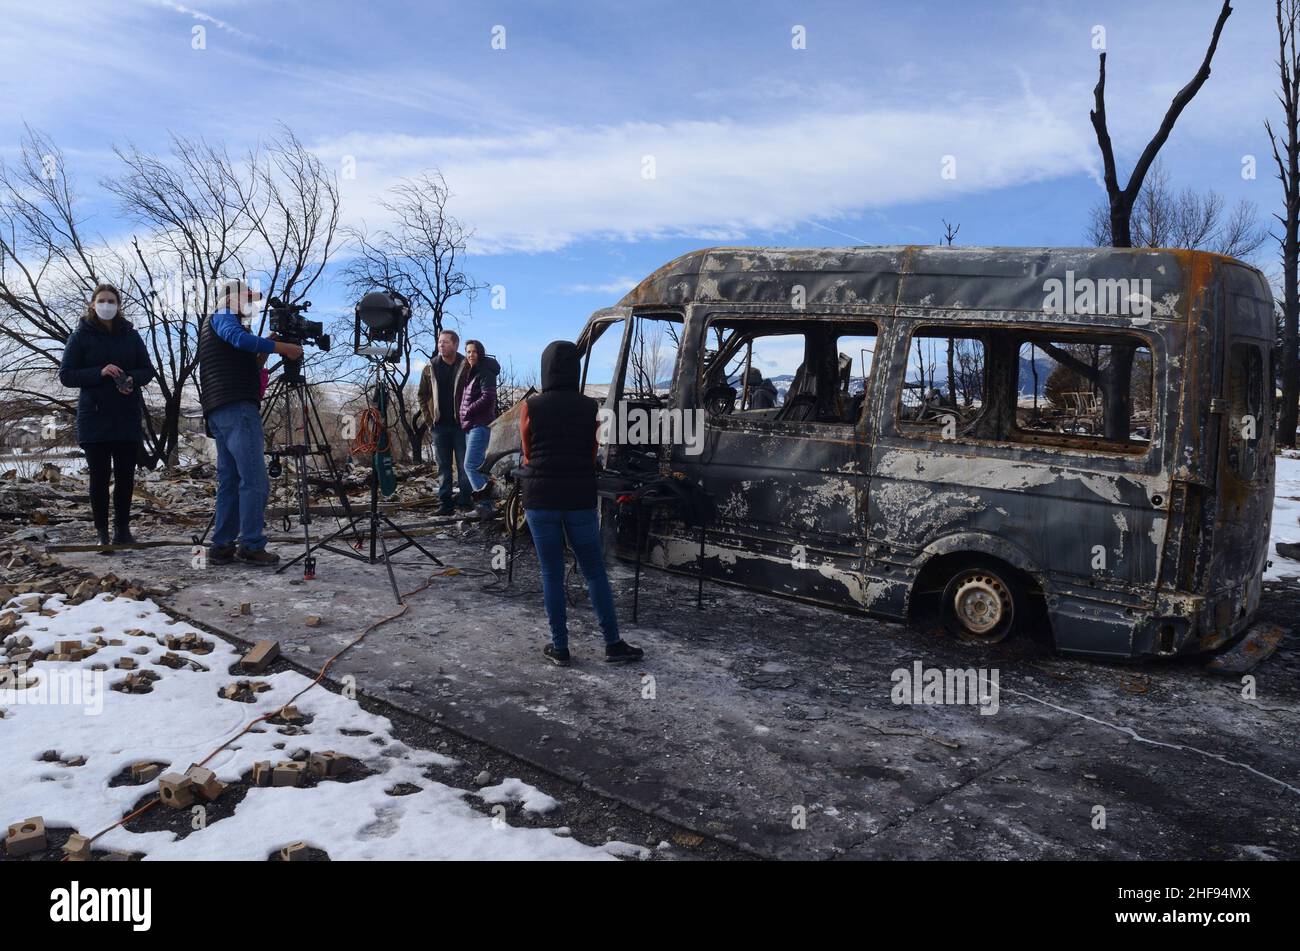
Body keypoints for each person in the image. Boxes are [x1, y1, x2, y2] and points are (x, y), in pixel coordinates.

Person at [518, 340, 643, 667]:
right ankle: (613, 644)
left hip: (540, 498)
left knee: (551, 573)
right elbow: (592, 454)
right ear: (575, 369)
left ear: (545, 369)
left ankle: (560, 648)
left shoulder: (531, 406)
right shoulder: (591, 408)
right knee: (594, 572)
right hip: (579, 498)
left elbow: (528, 452)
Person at [199, 279, 302, 566]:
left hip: (221, 408)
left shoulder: (219, 324)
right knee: (254, 479)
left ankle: (222, 546)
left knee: (231, 479)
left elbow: (242, 361)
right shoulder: (222, 316)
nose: (251, 304)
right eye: (247, 298)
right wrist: (282, 347)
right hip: (236, 408)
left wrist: (266, 350)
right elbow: (239, 340)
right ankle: (251, 544)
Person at [58, 284, 156, 551]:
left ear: (119, 305)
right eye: (101, 300)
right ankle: (102, 533)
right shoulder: (80, 336)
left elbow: (148, 370)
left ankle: (123, 531)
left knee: (126, 477)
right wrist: (99, 372)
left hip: (126, 416)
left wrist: (133, 378)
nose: (106, 304)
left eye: (111, 300)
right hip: (95, 418)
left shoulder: (130, 335)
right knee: (99, 478)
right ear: (92, 305)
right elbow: (66, 375)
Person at [418, 329, 471, 515]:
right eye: (439, 342)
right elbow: (422, 395)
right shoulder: (430, 367)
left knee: (465, 466)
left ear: (455, 345)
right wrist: (429, 419)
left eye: (445, 342)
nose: (441, 345)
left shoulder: (466, 366)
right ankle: (445, 505)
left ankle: (466, 502)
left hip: (462, 426)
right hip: (439, 427)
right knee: (443, 467)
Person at [458, 339, 499, 519]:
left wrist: (468, 410)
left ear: (480, 353)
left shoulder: (485, 372)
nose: (470, 355)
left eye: (473, 352)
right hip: (471, 425)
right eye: (467, 352)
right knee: (477, 466)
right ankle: (486, 506)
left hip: (479, 424)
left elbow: (488, 397)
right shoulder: (473, 372)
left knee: (471, 465)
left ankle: (485, 506)